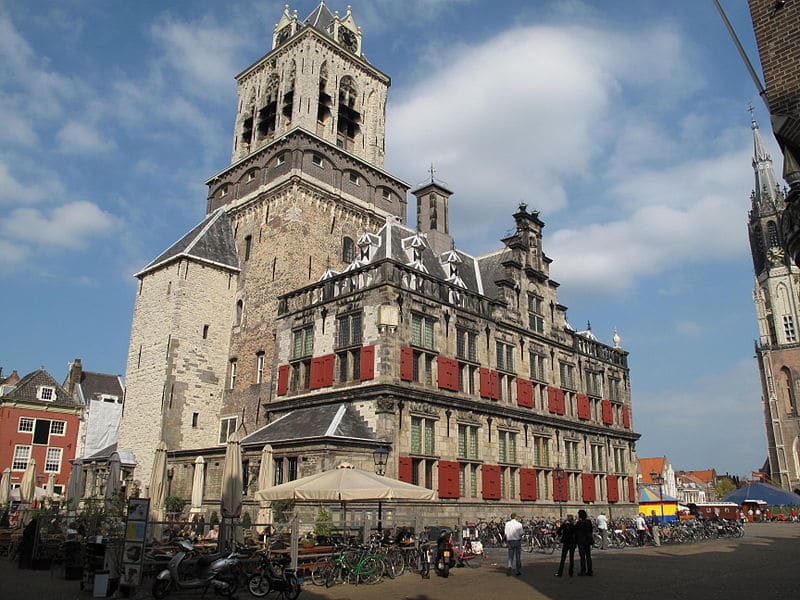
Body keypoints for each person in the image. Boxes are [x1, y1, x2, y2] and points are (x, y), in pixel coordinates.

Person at [575, 509, 594, 576]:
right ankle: (590, 571)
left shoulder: (579, 523)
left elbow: (575, 531)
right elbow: (591, 530)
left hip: (581, 541)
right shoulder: (589, 522)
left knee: (582, 556)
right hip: (588, 541)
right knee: (588, 556)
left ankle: (583, 571)